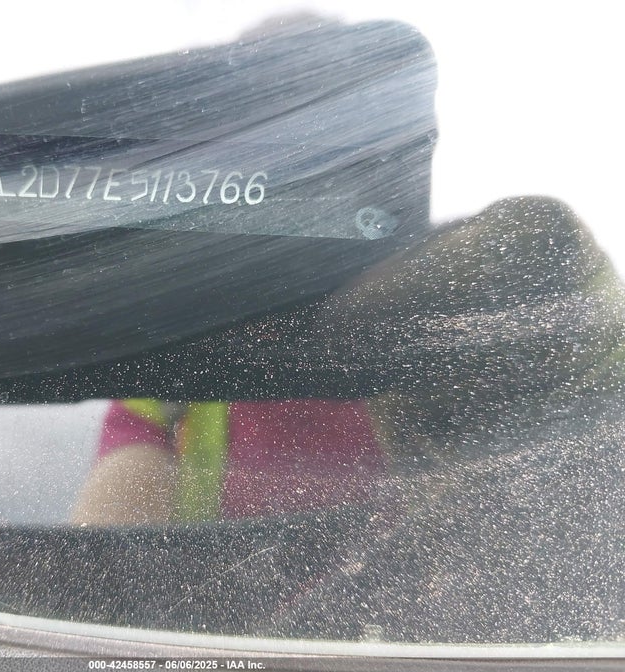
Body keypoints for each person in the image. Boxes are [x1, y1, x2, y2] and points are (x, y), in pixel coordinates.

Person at [73, 196, 625, 527]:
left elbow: (564, 268)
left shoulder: (448, 301)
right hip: (210, 633)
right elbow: (107, 558)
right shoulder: (172, 366)